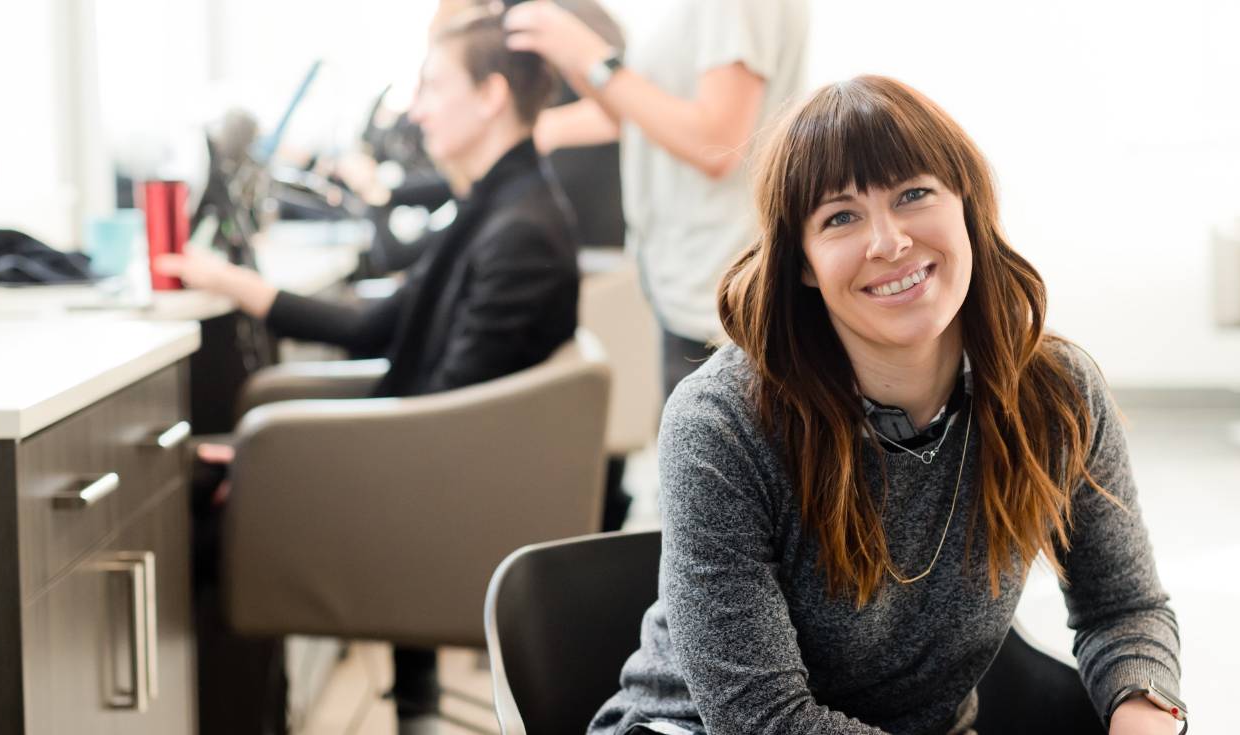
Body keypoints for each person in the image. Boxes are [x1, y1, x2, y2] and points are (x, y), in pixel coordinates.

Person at [587, 77, 1186, 735]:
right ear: (804, 262)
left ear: (968, 206)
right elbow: (761, 718)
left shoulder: (1054, 392)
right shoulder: (722, 422)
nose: (889, 241)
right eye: (840, 216)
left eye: (913, 194)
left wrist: (1146, 714)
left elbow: (1122, 607)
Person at [157, 11, 580, 733]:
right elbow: (372, 328)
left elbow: (443, 423)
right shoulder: (496, 207)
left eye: (432, 86)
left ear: (491, 96)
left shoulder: (519, 233)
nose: (415, 108)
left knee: (180, 533)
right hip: (420, 474)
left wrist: (284, 465)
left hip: (435, 509)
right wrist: (236, 286)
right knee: (194, 485)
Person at [504, 0, 810, 400]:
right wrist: (575, 61)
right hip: (684, 284)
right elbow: (635, 117)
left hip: (719, 294)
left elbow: (716, 143)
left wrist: (591, 57)